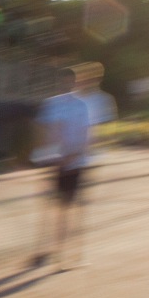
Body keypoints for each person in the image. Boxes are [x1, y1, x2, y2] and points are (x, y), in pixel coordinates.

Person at [33, 62, 116, 268]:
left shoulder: (84, 105)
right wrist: (43, 156)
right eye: (63, 81)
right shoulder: (51, 103)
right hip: (55, 162)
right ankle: (47, 251)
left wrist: (73, 155)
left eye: (70, 81)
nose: (67, 85)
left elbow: (88, 135)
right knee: (52, 206)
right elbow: (46, 132)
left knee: (68, 208)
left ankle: (64, 253)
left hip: (76, 162)